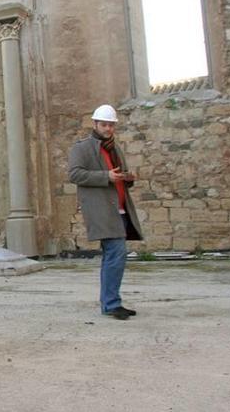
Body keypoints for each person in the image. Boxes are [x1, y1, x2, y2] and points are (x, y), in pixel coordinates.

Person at [68, 104, 143, 321]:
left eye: (111, 125)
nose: (108, 128)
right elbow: (74, 175)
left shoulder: (114, 148)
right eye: (104, 124)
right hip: (102, 210)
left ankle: (111, 303)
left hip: (120, 208)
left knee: (113, 256)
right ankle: (111, 303)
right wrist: (106, 177)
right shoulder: (82, 148)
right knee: (116, 253)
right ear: (95, 124)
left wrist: (127, 178)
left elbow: (118, 176)